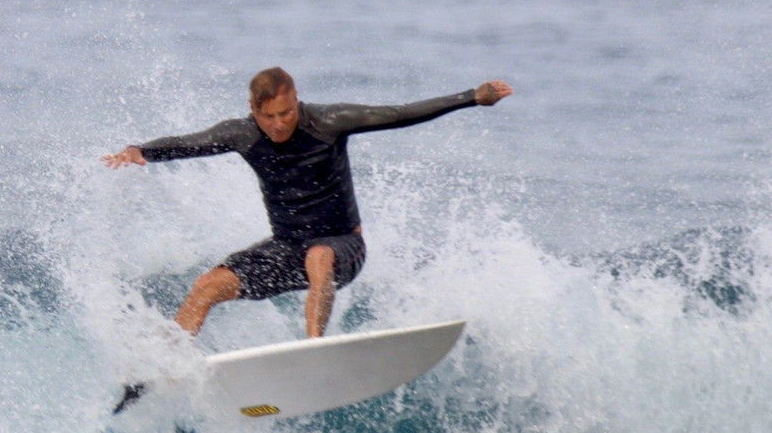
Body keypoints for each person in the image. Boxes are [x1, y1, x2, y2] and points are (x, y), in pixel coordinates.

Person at [104, 67, 512, 339]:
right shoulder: (241, 134)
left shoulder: (330, 122)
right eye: (269, 117)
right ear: (253, 111)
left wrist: (472, 97)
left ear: (297, 101)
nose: (280, 123)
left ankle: (314, 350)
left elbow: (398, 114)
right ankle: (168, 367)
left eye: (287, 112)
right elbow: (189, 144)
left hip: (343, 247)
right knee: (207, 285)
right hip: (286, 249)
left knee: (319, 256)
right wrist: (141, 150)